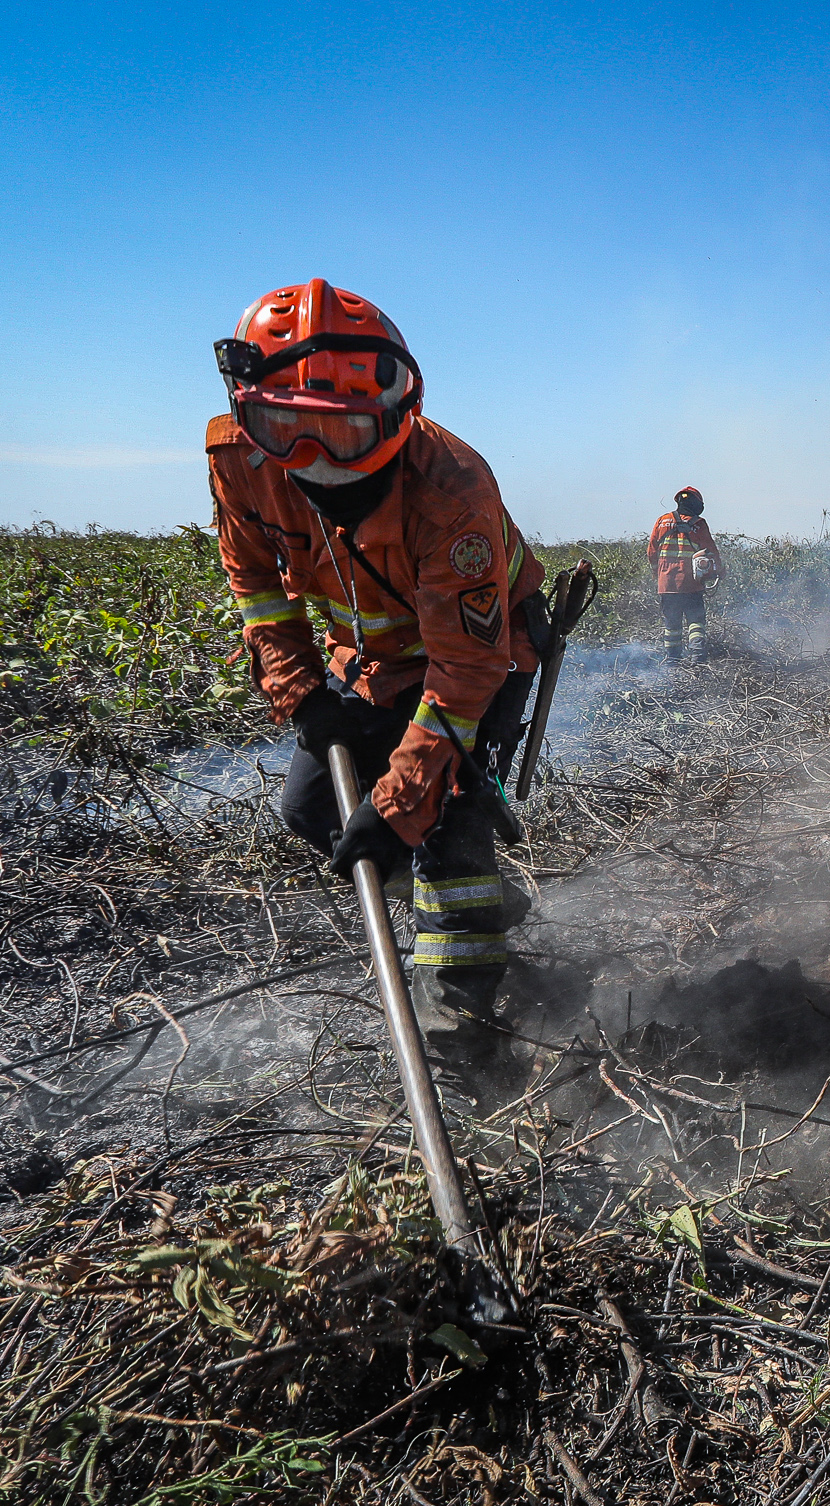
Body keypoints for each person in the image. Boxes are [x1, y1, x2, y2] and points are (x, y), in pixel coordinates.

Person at [208, 279, 545, 1086]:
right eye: (288, 428)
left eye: (347, 432)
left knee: (446, 825)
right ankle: (472, 900)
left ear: (397, 415)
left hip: (480, 656)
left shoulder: (452, 484)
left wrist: (402, 805)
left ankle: (465, 1031)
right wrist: (303, 696)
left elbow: (465, 666)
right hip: (361, 663)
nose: (318, 463)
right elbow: (255, 586)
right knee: (311, 807)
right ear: (251, 411)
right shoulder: (239, 462)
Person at [648, 487, 722, 664]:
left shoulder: (661, 521)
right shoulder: (699, 524)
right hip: (691, 584)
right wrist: (719, 571)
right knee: (696, 622)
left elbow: (652, 552)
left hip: (666, 584)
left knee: (672, 625)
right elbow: (711, 551)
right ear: (696, 504)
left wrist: (657, 574)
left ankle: (673, 660)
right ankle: (697, 658)